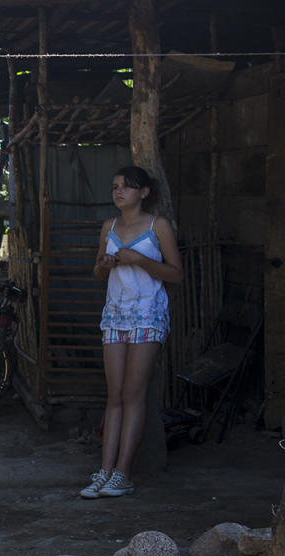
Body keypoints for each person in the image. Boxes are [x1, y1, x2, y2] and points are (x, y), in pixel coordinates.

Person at [79, 166, 182, 499]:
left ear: (144, 192)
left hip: (147, 316)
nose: (118, 192)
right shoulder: (108, 226)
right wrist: (104, 265)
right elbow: (97, 272)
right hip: (115, 315)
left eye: (126, 186)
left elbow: (176, 274)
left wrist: (139, 259)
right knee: (115, 396)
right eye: (115, 187)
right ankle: (104, 472)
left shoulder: (158, 226)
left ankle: (123, 473)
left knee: (133, 395)